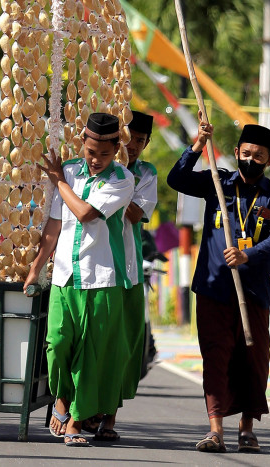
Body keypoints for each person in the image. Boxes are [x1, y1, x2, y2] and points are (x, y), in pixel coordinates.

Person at [167, 120, 270, 453]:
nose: (251, 159)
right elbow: (176, 179)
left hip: (253, 293)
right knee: (216, 357)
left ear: (269, 159)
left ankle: (247, 429)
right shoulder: (218, 183)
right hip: (214, 289)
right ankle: (215, 429)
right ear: (237, 152)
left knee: (253, 360)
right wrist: (197, 146)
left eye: (259, 155)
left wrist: (247, 255)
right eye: (246, 153)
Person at [23, 113, 135, 447]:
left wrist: (59, 181)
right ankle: (60, 398)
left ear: (116, 149)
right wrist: (36, 267)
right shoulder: (69, 169)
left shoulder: (122, 180)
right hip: (64, 277)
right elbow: (55, 225)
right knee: (57, 343)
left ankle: (73, 419)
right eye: (90, 152)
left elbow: (85, 214)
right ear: (82, 144)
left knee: (90, 353)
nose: (96, 159)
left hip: (101, 278)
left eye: (104, 153)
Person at [83, 111, 158, 441]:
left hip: (126, 269)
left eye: (141, 141)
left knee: (121, 348)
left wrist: (121, 180)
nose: (135, 146)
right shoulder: (96, 165)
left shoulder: (144, 173)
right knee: (89, 342)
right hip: (89, 267)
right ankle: (82, 409)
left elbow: (135, 212)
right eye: (130, 139)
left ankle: (108, 415)